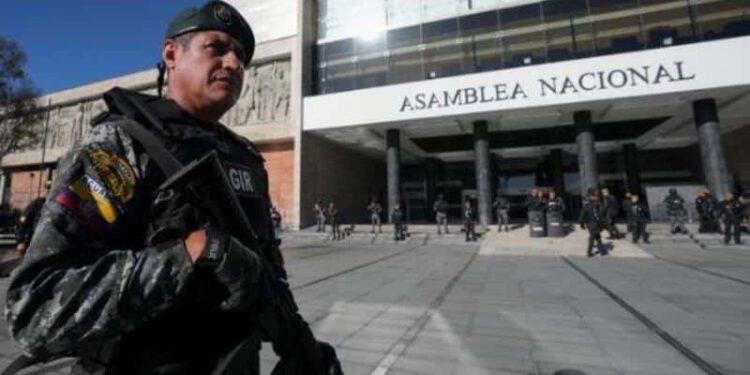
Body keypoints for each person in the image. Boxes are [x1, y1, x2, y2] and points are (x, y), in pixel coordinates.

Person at [4, 3, 342, 374]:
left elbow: (267, 273)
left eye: (241, 57)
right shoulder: (118, 148)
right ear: (171, 55)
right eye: (216, 48)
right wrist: (189, 255)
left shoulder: (244, 158)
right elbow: (35, 307)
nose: (233, 64)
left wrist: (299, 345)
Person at [14, 183, 50, 255]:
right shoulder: (36, 204)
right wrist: (21, 241)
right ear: (44, 190)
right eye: (47, 188)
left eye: (51, 189)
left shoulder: (60, 204)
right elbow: (22, 223)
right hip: (35, 241)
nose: (49, 191)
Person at [580, 189, 607, 257]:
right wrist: (582, 224)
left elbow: (601, 213)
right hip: (592, 224)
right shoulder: (590, 205)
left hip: (594, 224)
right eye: (594, 196)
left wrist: (582, 224)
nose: (595, 197)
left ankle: (602, 251)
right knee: (593, 237)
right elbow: (582, 216)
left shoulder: (595, 204)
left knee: (597, 237)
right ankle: (589, 252)